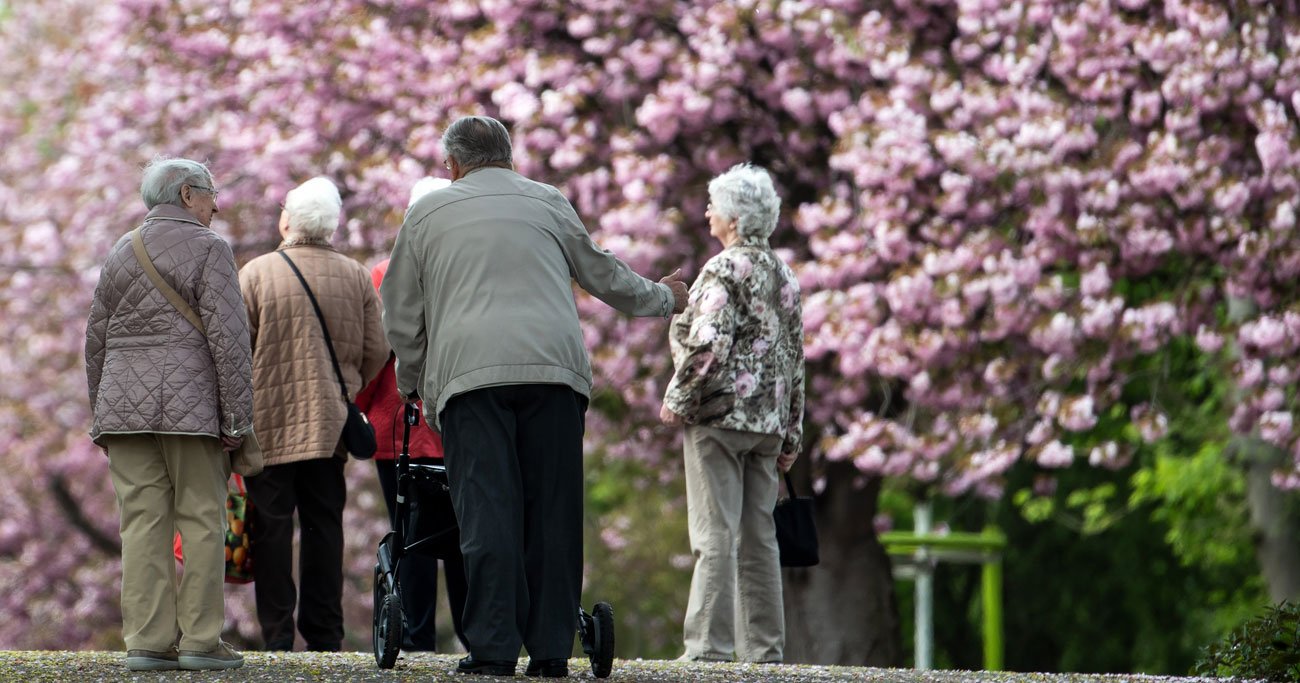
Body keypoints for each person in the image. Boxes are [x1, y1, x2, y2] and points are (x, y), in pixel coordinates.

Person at [381, 115, 689, 677]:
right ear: (511, 156)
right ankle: (551, 651)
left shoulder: (425, 213)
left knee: (487, 511)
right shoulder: (548, 200)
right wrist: (663, 299)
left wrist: (412, 379)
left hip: (471, 380)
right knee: (553, 510)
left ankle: (494, 650)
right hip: (554, 375)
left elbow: (400, 312)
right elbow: (603, 274)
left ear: (452, 166)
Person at [85, 156, 251, 671]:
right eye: (210, 193)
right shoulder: (211, 249)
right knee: (202, 519)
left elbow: (96, 339)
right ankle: (201, 642)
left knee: (140, 524)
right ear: (186, 195)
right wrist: (236, 422)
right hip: (193, 411)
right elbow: (230, 342)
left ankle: (148, 643)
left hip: (123, 411)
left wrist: (104, 411)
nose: (216, 205)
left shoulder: (120, 250)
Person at [659, 163, 805, 664]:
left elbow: (710, 340)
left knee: (713, 533)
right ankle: (765, 650)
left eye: (714, 206)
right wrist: (792, 433)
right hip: (767, 424)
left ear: (736, 219)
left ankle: (708, 647)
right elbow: (794, 357)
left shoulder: (723, 269)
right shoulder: (784, 274)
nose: (706, 213)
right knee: (760, 538)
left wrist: (678, 398)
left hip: (719, 418)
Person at [238, 176, 390, 651]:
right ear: (332, 225)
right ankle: (325, 634)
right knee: (325, 526)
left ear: (287, 220)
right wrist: (346, 387)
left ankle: (278, 636)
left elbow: (236, 350)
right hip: (330, 424)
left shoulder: (257, 273)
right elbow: (377, 350)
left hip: (269, 422)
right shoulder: (355, 275)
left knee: (272, 527)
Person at [354, 176, 469, 652]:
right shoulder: (465, 270)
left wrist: (357, 408)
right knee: (466, 530)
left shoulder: (384, 273)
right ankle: (472, 632)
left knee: (410, 530)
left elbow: (376, 352)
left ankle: (417, 635)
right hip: (459, 422)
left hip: (399, 423)